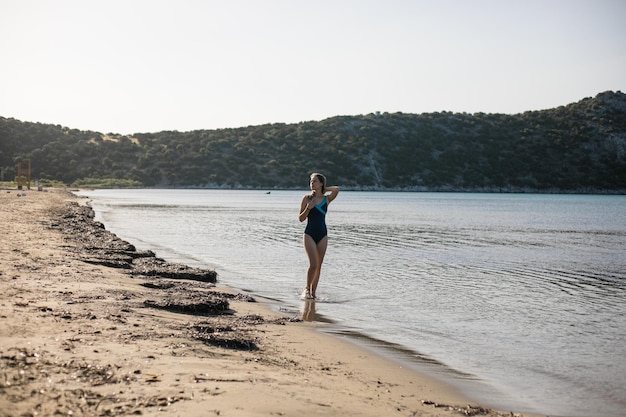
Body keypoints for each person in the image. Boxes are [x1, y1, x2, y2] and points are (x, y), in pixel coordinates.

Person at [298, 173, 339, 299]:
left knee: (319, 265)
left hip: (323, 234)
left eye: (315, 181)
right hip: (309, 233)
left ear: (321, 183)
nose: (312, 183)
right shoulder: (307, 198)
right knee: (313, 264)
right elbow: (301, 218)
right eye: (311, 181)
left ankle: (313, 293)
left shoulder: (327, 199)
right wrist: (308, 208)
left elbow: (336, 189)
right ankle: (306, 289)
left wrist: (324, 190)